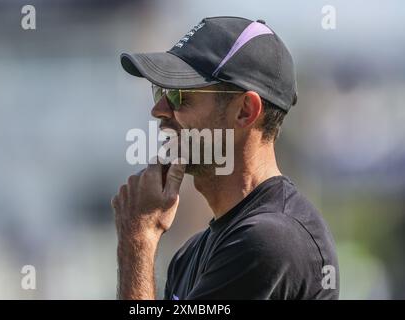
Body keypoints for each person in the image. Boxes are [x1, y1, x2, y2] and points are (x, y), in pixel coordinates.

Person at [112, 16, 339, 300]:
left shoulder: (271, 242)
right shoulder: (191, 255)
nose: (158, 109)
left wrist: (138, 240)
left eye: (179, 94)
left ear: (245, 111)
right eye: (160, 91)